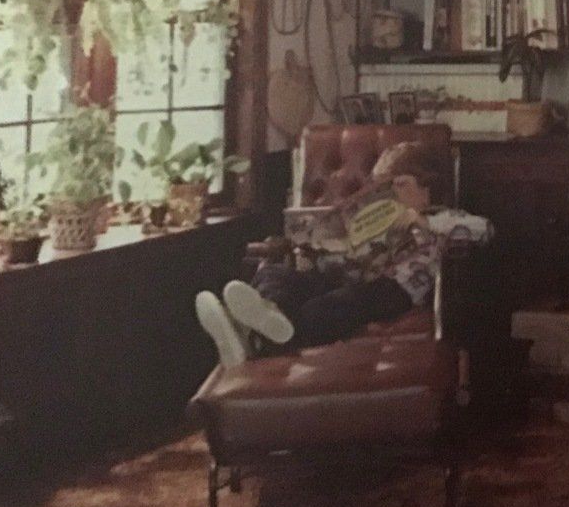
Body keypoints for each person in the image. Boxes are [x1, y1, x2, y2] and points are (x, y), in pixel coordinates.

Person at [194, 141, 490, 362]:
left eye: (400, 185)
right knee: (274, 274)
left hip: (393, 289)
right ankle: (265, 318)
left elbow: (484, 229)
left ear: (426, 186)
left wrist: (419, 220)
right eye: (382, 187)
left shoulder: (444, 218)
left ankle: (255, 341)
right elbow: (341, 257)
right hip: (348, 276)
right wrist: (313, 249)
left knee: (321, 310)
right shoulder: (369, 219)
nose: (391, 194)